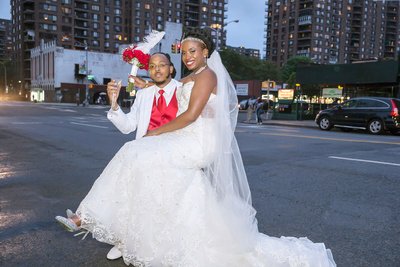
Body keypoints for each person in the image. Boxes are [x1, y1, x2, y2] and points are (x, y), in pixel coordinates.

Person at [56, 29, 336, 266]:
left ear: (205, 52)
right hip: (185, 137)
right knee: (139, 162)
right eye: (184, 51)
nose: (188, 56)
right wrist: (143, 83)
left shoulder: (207, 76)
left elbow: (190, 115)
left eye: (193, 51)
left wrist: (155, 133)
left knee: (134, 152)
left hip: (199, 141)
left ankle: (87, 218)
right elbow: (166, 86)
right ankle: (110, 225)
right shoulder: (187, 78)